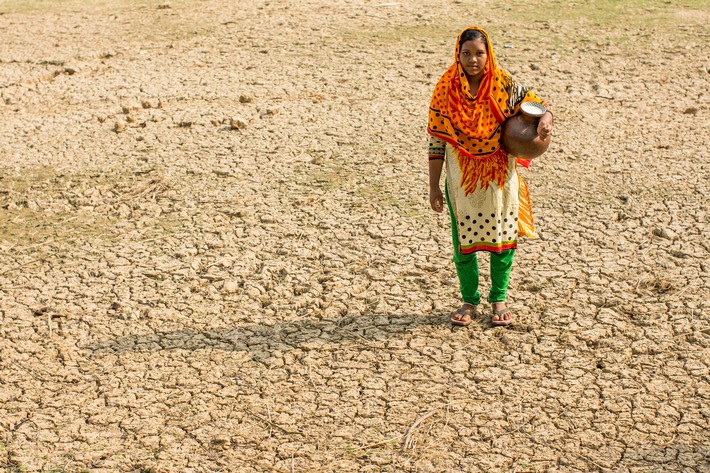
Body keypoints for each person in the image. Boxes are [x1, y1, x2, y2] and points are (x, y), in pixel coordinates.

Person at [428, 26, 552, 327]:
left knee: (503, 239)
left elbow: (540, 106)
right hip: (461, 176)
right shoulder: (445, 90)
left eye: (479, 53)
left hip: (498, 173)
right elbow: (436, 142)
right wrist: (434, 187)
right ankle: (469, 300)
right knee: (463, 243)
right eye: (466, 53)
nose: (473, 59)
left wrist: (545, 121)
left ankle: (499, 299)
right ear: (458, 55)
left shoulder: (503, 84)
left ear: (489, 54)